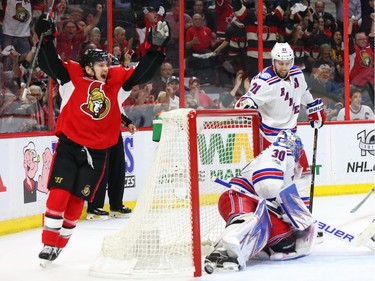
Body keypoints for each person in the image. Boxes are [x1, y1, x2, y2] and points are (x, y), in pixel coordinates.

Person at [34, 13, 169, 266]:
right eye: (100, 65)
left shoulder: (116, 84)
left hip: (97, 154)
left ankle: (59, 246)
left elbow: (143, 73)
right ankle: (47, 242)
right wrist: (44, 37)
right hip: (69, 147)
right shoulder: (71, 79)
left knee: (75, 205)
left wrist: (157, 50)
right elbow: (48, 62)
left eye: (107, 64)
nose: (106, 68)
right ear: (87, 67)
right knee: (59, 195)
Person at [204, 130, 317, 273]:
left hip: (263, 208)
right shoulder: (279, 152)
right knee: (245, 220)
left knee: (285, 243)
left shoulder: (287, 169)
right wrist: (280, 206)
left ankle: (245, 248)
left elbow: (285, 199)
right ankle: (223, 248)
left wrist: (296, 219)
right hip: (240, 196)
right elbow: (267, 184)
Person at [235, 42, 326, 204]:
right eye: (280, 63)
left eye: (287, 63)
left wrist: (312, 106)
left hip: (291, 136)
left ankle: (300, 210)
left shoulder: (297, 74)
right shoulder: (264, 81)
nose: (284, 67)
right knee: (273, 179)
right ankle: (270, 205)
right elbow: (248, 99)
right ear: (274, 61)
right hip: (271, 138)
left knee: (303, 172)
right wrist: (246, 103)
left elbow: (303, 92)